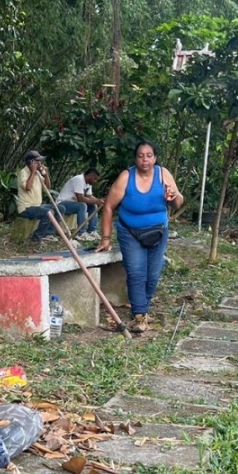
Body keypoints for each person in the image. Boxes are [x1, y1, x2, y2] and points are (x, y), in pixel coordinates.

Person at [97, 142, 184, 333]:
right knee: (136, 272)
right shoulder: (126, 177)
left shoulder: (163, 174)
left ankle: (142, 307)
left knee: (153, 274)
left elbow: (178, 202)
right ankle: (139, 315)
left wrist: (174, 194)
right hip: (130, 232)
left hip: (158, 231)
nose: (145, 159)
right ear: (135, 159)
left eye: (149, 155)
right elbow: (109, 206)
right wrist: (105, 238)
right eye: (140, 156)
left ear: (155, 158)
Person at [16, 150, 58, 242]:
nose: (40, 163)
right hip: (26, 208)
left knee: (60, 208)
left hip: (37, 206)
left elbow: (47, 187)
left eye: (40, 161)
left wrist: (46, 174)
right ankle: (36, 238)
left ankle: (49, 234)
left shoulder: (38, 174)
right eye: (37, 161)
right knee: (48, 212)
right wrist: (33, 171)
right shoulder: (23, 172)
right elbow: (28, 187)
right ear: (30, 162)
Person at [56, 168, 104, 241]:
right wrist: (97, 201)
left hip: (73, 204)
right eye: (95, 179)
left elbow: (89, 196)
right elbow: (80, 199)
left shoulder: (88, 183)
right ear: (90, 176)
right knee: (82, 205)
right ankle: (81, 233)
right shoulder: (79, 179)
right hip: (62, 203)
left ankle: (92, 231)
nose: (95, 181)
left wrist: (99, 201)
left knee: (93, 206)